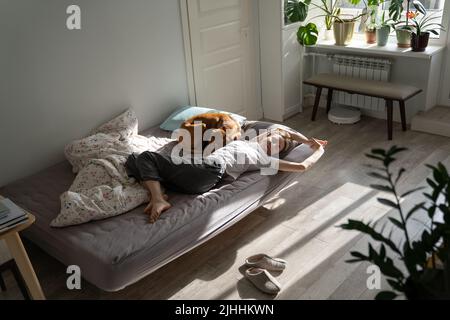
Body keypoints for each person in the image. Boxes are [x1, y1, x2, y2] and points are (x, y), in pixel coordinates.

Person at [125, 128, 327, 223]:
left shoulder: (264, 159)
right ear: (268, 135)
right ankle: (159, 190)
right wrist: (308, 139)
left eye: (278, 147)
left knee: (147, 157)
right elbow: (282, 130)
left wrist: (318, 151)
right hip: (195, 178)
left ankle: (158, 198)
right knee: (133, 159)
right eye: (275, 140)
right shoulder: (252, 143)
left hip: (210, 171)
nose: (274, 145)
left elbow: (301, 166)